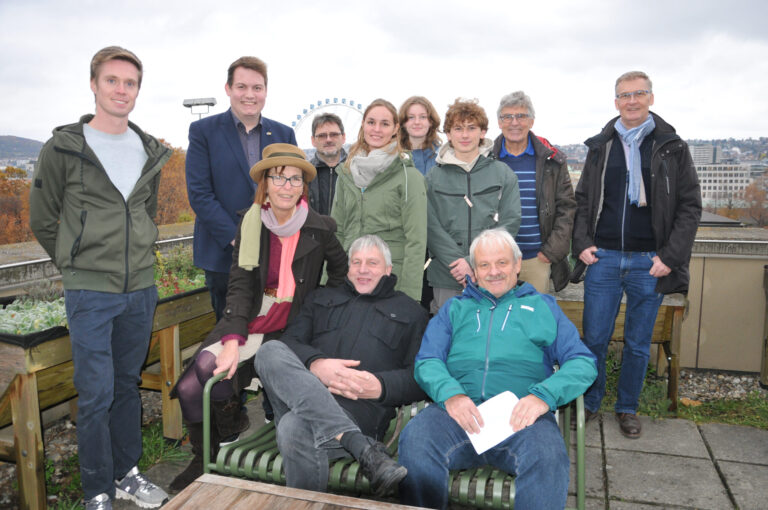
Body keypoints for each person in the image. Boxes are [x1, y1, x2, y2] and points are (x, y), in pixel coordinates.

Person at [29, 46, 171, 510]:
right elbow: (43, 217)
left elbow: (145, 214)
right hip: (90, 291)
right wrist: (75, 264)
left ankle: (127, 473)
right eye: (112, 80)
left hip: (140, 290)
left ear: (137, 90)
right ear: (94, 85)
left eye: (130, 83)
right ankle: (97, 491)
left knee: (127, 385)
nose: (121, 90)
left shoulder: (148, 149)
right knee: (95, 394)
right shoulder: (65, 147)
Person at [170, 143, 348, 491]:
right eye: (278, 178)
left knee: (213, 378)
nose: (287, 186)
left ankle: (221, 445)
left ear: (303, 186)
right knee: (195, 384)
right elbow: (239, 285)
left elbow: (340, 275)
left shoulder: (320, 227)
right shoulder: (251, 223)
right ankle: (213, 448)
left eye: (295, 179)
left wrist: (317, 309)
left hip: (294, 323)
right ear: (265, 184)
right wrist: (233, 340)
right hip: (252, 316)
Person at [398, 228, 597, 510]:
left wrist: (543, 396)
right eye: (484, 265)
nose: (494, 272)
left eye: (502, 262)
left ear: (517, 264)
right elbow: (428, 360)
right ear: (475, 272)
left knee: (548, 457)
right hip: (457, 414)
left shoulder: (542, 307)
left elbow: (582, 362)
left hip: (521, 418)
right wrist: (451, 394)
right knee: (416, 440)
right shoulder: (455, 309)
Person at [571, 71, 701, 438]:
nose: (632, 101)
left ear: (651, 98)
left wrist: (670, 257)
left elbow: (690, 207)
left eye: (639, 94)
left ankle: (627, 407)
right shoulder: (601, 147)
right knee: (594, 338)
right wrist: (581, 244)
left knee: (638, 343)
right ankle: (591, 403)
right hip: (605, 258)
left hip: (650, 262)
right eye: (624, 95)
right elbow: (583, 201)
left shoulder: (672, 146)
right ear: (616, 102)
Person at [254, 234, 428, 495]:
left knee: (293, 426)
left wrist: (381, 387)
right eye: (356, 262)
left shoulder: (412, 313)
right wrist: (316, 365)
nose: (363, 270)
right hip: (298, 398)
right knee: (268, 351)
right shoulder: (320, 299)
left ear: (388, 270)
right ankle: (359, 447)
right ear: (348, 268)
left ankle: (350, 441)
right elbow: (290, 341)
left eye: (372, 263)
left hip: (359, 414)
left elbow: (421, 379)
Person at [186, 56, 297, 321]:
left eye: (257, 88)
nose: (250, 95)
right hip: (224, 256)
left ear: (266, 92)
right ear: (228, 89)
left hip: (275, 254)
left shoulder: (284, 135)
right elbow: (200, 194)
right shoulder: (203, 131)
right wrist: (238, 238)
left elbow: (295, 191)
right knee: (228, 336)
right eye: (242, 87)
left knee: (272, 330)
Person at [426, 98, 521, 313]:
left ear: (483, 132)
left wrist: (474, 261)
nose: (465, 135)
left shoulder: (503, 173)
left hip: (493, 273)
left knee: (492, 334)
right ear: (448, 134)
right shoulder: (433, 177)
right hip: (447, 274)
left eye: (471, 128)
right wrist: (458, 264)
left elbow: (510, 221)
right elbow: (430, 226)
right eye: (458, 128)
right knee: (450, 334)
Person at [331, 98, 427, 301]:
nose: (377, 129)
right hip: (351, 276)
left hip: (391, 279)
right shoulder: (346, 175)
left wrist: (409, 296)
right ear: (363, 125)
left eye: (385, 124)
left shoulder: (408, 176)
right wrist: (328, 281)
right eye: (371, 122)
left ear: (395, 129)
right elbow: (337, 231)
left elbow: (416, 240)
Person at [491, 91, 576, 294]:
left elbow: (567, 208)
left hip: (536, 259)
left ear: (532, 121)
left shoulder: (551, 160)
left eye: (521, 116)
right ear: (499, 122)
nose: (514, 122)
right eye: (507, 117)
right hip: (495, 259)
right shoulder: (487, 159)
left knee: (533, 320)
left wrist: (550, 252)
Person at [308, 113, 346, 215]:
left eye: (334, 134)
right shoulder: (304, 174)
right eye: (322, 136)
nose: (328, 139)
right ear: (313, 141)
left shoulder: (356, 171)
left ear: (343, 137)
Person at [398, 96, 442, 175]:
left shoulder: (442, 157)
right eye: (411, 117)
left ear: (431, 122)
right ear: (403, 122)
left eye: (423, 117)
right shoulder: (393, 158)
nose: (417, 122)